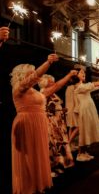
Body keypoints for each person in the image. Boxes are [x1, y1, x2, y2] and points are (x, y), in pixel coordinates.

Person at [10, 54, 59, 193]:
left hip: (38, 122)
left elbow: (55, 87)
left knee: (38, 153)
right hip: (26, 123)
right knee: (28, 156)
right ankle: (28, 187)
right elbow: (33, 78)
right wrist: (48, 62)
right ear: (22, 75)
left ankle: (38, 184)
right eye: (31, 73)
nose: (34, 75)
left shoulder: (35, 91)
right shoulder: (19, 89)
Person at [38, 71, 78, 176]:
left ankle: (60, 165)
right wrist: (69, 74)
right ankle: (50, 168)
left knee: (60, 145)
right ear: (45, 83)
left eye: (53, 82)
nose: (53, 84)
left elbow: (56, 106)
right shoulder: (44, 92)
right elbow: (46, 108)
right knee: (52, 145)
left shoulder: (52, 93)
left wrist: (62, 110)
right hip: (50, 122)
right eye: (51, 83)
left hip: (58, 122)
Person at [72, 68, 99, 162]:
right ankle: (80, 153)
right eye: (81, 73)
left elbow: (94, 87)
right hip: (84, 110)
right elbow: (92, 85)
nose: (84, 74)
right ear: (76, 75)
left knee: (87, 129)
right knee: (84, 130)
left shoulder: (83, 85)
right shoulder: (77, 87)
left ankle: (84, 151)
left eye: (84, 73)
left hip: (89, 109)